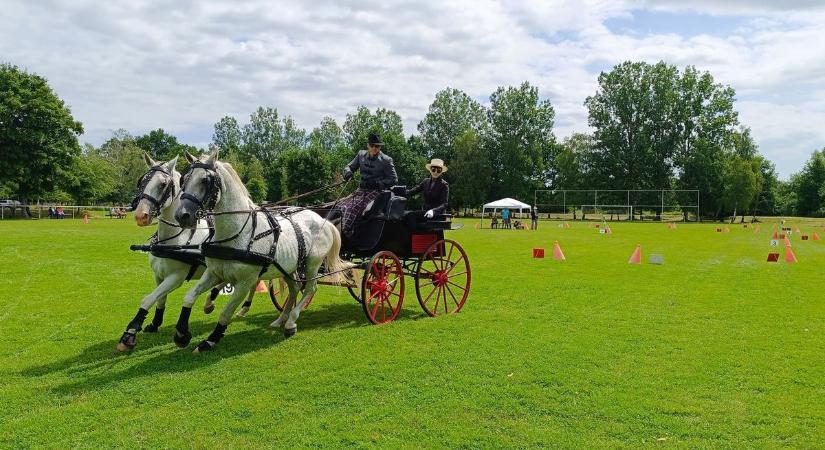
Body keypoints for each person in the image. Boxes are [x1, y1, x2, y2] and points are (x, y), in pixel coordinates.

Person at [336, 133, 398, 237]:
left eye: (377, 146)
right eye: (372, 145)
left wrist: (377, 183)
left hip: (377, 193)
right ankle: (338, 230)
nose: (374, 148)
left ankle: (346, 233)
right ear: (368, 145)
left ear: (380, 147)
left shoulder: (386, 160)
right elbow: (349, 166)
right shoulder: (361, 155)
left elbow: (394, 179)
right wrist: (348, 173)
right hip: (361, 191)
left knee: (353, 208)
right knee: (341, 205)